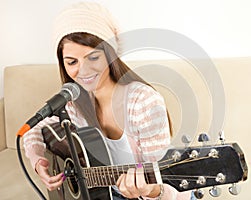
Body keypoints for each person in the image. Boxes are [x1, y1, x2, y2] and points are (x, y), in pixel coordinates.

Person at [23, 2, 193, 200]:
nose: (83, 70)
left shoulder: (143, 102)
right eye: (72, 62)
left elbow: (164, 183)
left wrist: (151, 191)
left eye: (93, 58)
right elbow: (34, 128)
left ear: (110, 55)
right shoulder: (73, 103)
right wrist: (38, 160)